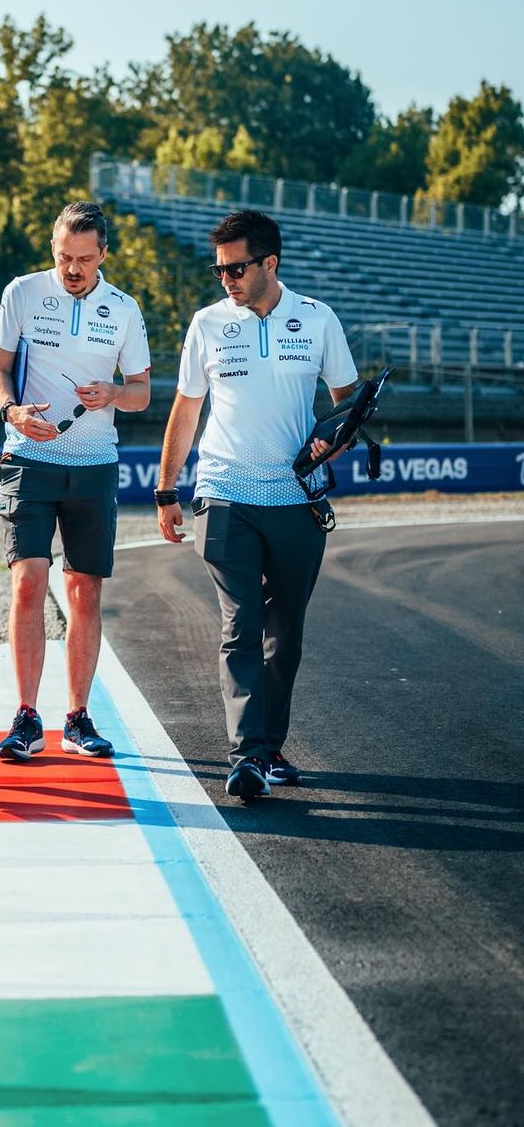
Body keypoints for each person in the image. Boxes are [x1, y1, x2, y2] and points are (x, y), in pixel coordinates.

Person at [155, 208, 358, 801]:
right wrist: (168, 489)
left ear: (269, 263)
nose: (227, 280)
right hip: (224, 494)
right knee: (239, 622)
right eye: (219, 270)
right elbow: (186, 409)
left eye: (236, 268)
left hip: (298, 497)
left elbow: (347, 401)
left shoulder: (318, 320)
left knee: (284, 631)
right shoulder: (207, 324)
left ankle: (268, 748)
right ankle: (245, 755)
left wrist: (331, 440)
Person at [0, 201, 151, 762]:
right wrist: (12, 412)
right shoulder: (22, 293)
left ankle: (78, 717)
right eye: (63, 258)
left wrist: (113, 395)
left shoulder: (126, 309)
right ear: (52, 250)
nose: (73, 268)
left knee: (83, 588)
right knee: (29, 581)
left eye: (84, 258)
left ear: (104, 254)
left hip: (95, 464)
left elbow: (142, 392)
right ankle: (25, 717)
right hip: (27, 457)